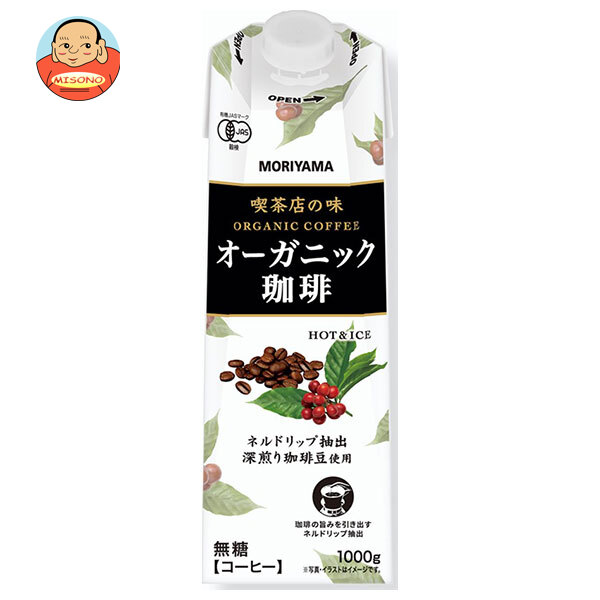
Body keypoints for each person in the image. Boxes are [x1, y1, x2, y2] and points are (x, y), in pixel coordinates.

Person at [37, 19, 120, 100]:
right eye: (66, 45)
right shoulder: (44, 66)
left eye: (87, 45)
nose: (73, 51)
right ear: (54, 48)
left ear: (100, 47)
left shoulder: (113, 60)